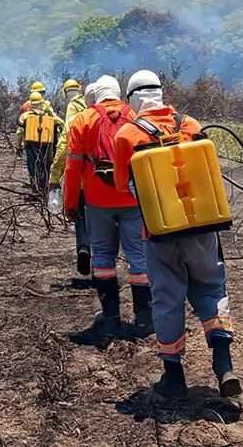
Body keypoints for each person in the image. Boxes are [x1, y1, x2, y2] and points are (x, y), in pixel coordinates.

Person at [112, 70, 241, 400]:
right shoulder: (192, 125)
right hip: (203, 229)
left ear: (134, 99)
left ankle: (174, 377)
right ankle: (224, 366)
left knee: (168, 301)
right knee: (211, 290)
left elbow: (121, 187)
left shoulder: (127, 135)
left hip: (159, 234)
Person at [62, 75, 152, 337]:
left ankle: (111, 317)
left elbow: (73, 166)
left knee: (102, 257)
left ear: (97, 94)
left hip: (97, 201)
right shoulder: (136, 115)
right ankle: (144, 319)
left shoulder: (84, 119)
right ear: (118, 93)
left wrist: (70, 203)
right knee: (138, 256)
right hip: (133, 199)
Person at [49, 79, 91, 275]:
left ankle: (84, 247)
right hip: (109, 177)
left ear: (66, 93)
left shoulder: (74, 109)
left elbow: (66, 140)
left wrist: (54, 175)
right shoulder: (97, 106)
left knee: (81, 214)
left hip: (84, 175)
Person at [16, 91, 64, 193]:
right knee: (47, 164)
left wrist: (18, 146)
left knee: (32, 164)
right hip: (47, 144)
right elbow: (61, 122)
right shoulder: (49, 114)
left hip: (31, 144)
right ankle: (46, 184)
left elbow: (19, 131)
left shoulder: (26, 115)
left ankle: (35, 184)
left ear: (31, 103)